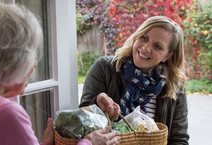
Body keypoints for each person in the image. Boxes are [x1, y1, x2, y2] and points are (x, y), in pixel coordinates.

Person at [0, 4, 120, 145]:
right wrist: (90, 142)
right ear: (9, 62)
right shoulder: (4, 113)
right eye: (30, 53)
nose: (34, 64)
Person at [79, 16, 189, 144]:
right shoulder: (105, 68)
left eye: (157, 47)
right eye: (144, 38)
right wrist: (97, 105)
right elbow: (81, 122)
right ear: (137, 36)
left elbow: (179, 139)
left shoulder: (174, 86)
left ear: (168, 55)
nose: (145, 48)